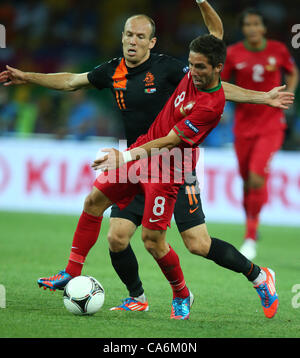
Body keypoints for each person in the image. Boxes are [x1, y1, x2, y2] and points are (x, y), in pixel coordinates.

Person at [0, 1, 293, 319]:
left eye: (140, 36)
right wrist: (28, 76)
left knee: (192, 243)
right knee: (108, 223)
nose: (132, 41)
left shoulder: (187, 84)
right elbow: (72, 81)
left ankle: (256, 277)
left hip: (174, 167)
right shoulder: (134, 71)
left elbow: (188, 120)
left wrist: (261, 97)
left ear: (152, 41)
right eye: (128, 34)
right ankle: (105, 284)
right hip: (140, 153)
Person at [221, 8, 299, 260]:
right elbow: (220, 82)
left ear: (264, 28)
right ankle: (251, 221)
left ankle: (250, 236)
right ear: (243, 29)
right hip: (243, 126)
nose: (252, 28)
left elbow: (293, 71)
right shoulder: (233, 53)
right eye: (247, 25)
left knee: (255, 177)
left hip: (271, 124)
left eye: (256, 24)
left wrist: (290, 95)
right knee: (247, 179)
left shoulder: (278, 50)